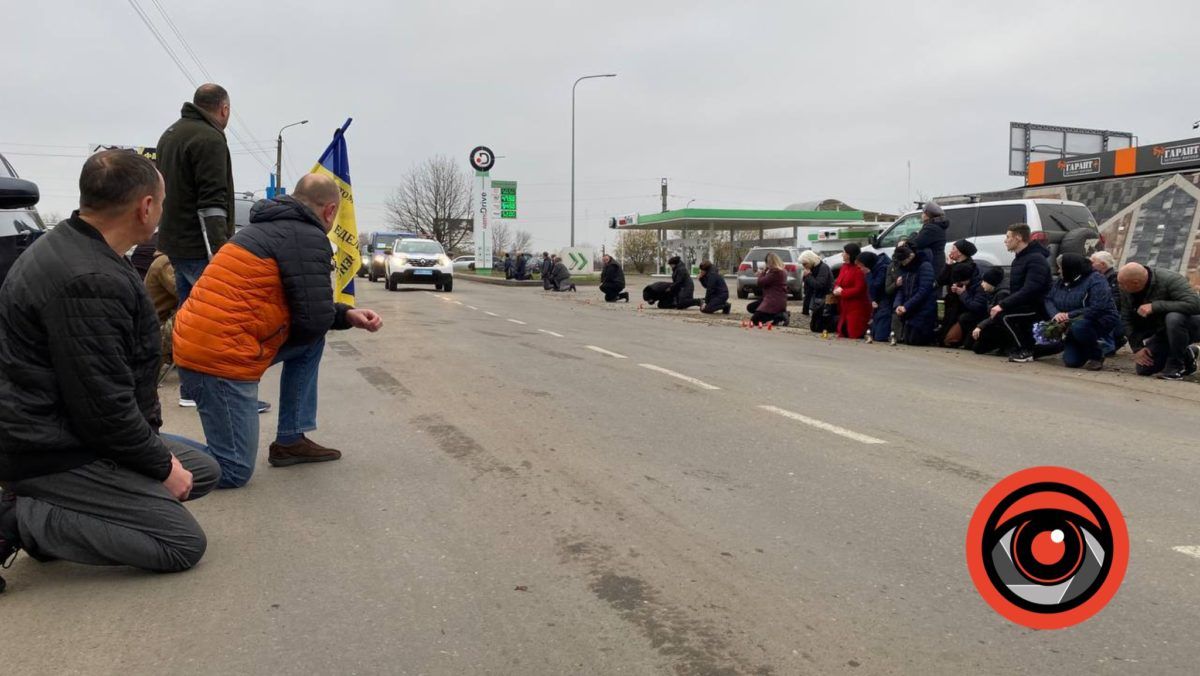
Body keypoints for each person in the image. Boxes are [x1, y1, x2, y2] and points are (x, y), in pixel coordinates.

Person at [0, 150, 220, 590]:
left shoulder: (79, 245)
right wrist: (159, 467)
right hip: (50, 448)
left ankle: (73, 509)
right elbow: (103, 408)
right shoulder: (87, 280)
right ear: (145, 207)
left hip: (70, 428)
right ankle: (18, 518)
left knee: (204, 471)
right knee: (179, 542)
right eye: (162, 200)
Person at [172, 174, 384, 488]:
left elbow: (309, 312)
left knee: (312, 341)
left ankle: (290, 439)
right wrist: (334, 314)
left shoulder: (263, 229)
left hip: (201, 346)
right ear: (329, 211)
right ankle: (135, 449)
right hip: (218, 361)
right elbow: (312, 318)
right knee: (232, 470)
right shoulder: (307, 237)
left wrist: (346, 313)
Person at [156, 84, 236, 409]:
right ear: (224, 108)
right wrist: (223, 254)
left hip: (175, 243)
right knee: (218, 320)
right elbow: (212, 203)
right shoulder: (209, 138)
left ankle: (191, 390)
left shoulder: (170, 134)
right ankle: (222, 396)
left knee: (189, 321)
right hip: (201, 248)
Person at [1116, 262, 1200, 380]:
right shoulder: (1127, 288)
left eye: (1122, 284)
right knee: (1144, 368)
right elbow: (1126, 318)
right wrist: (1137, 348)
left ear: (1136, 283)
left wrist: (1155, 306)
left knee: (1174, 317)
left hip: (1190, 325)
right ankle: (1188, 354)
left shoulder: (1170, 279)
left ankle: (1176, 366)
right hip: (1163, 331)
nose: (1119, 287)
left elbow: (1195, 305)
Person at [1042, 253, 1121, 370]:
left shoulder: (1096, 279)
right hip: (1070, 322)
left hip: (1098, 319)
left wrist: (1069, 315)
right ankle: (1085, 343)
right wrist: (1056, 314)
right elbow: (1048, 299)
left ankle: (1096, 355)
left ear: (1070, 268)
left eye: (1061, 268)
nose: (1059, 271)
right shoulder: (1061, 281)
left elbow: (1098, 306)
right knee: (1071, 362)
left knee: (1080, 326)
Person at [989, 224, 1051, 362]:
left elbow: (1031, 289)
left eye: (1008, 237)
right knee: (996, 311)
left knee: (1002, 315)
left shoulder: (1035, 259)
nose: (1005, 241)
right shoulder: (1019, 259)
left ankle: (1025, 350)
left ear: (1018, 238)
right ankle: (1018, 346)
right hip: (1024, 305)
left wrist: (1003, 305)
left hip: (1037, 307)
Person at [936, 239, 981, 346]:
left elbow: (950, 282)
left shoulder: (965, 267)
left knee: (946, 339)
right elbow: (941, 281)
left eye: (953, 249)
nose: (951, 251)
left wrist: (949, 266)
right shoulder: (956, 265)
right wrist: (948, 265)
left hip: (960, 306)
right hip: (953, 304)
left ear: (960, 252)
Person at [892, 243, 936, 345]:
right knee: (908, 340)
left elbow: (924, 291)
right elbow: (901, 289)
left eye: (905, 261)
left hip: (923, 308)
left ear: (911, 256)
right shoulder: (904, 269)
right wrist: (898, 305)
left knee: (915, 340)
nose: (904, 264)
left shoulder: (925, 266)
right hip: (910, 309)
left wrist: (906, 306)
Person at [832, 243, 872, 339]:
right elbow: (838, 281)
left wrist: (842, 292)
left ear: (849, 255)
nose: (842, 254)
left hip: (856, 306)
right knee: (843, 331)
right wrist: (836, 288)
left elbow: (859, 289)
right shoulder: (844, 267)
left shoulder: (859, 269)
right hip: (844, 305)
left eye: (844, 253)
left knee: (853, 333)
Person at [1091, 251, 1127, 355]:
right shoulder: (1102, 277)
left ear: (1102, 264)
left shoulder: (1114, 278)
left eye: (1093, 262)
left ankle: (1107, 346)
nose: (1091, 265)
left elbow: (1117, 300)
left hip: (1116, 315)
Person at [964, 267, 1007, 352]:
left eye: (984, 282)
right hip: (992, 322)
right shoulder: (991, 292)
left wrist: (980, 326)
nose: (982, 284)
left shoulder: (1002, 294)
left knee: (977, 347)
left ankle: (1002, 344)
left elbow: (996, 316)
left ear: (991, 283)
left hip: (998, 326)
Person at [910, 202, 950, 283]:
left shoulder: (931, 228)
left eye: (923, 212)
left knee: (928, 289)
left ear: (927, 215)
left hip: (932, 264)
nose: (922, 215)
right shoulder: (937, 226)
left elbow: (915, 243)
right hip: (936, 263)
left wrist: (913, 234)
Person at [858, 251, 891, 343]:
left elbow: (876, 286)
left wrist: (868, 274)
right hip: (877, 301)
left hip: (885, 300)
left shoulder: (883, 268)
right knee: (874, 333)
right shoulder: (874, 269)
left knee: (880, 335)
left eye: (862, 266)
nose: (861, 269)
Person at [747, 252, 790, 326]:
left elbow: (760, 283)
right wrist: (763, 273)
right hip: (774, 300)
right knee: (751, 307)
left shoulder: (776, 272)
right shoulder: (780, 271)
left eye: (767, 263)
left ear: (769, 262)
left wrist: (762, 273)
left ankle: (779, 316)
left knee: (754, 321)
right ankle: (775, 315)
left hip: (773, 302)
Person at [800, 250, 833, 333]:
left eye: (805, 264)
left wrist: (808, 276)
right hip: (816, 298)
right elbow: (808, 287)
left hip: (824, 297)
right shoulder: (813, 268)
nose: (804, 266)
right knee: (815, 324)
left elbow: (819, 284)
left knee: (821, 321)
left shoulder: (823, 268)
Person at [884, 239, 908, 345]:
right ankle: (896, 335)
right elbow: (888, 289)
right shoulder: (892, 266)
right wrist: (896, 284)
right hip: (896, 295)